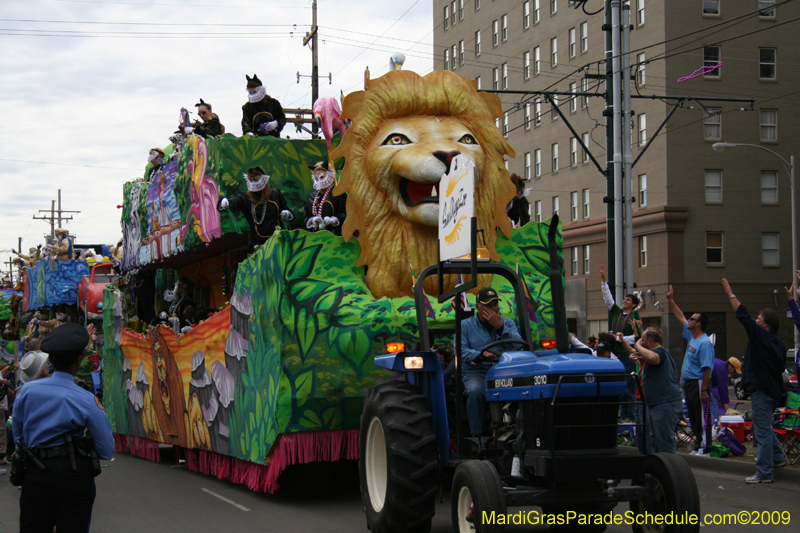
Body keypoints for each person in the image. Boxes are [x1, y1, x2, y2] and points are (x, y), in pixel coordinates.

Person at [12, 323, 114, 531]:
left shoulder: (26, 392)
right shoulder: (86, 400)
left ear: (49, 361)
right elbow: (106, 449)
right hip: (73, 475)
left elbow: (18, 436)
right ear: (79, 360)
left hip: (35, 473)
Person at [721, 278, 787, 483]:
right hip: (774, 391)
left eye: (759, 318)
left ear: (765, 325)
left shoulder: (761, 337)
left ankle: (764, 472)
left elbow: (743, 316)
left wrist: (730, 293)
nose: (756, 320)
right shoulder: (779, 343)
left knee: (762, 431)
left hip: (762, 391)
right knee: (765, 427)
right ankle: (777, 458)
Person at [460, 287, 522, 436]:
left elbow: (519, 346)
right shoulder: (465, 326)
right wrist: (479, 355)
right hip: (476, 371)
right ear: (478, 307)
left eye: (495, 304)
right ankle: (477, 436)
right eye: (488, 305)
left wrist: (499, 327)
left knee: (523, 389)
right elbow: (461, 350)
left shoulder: (507, 323)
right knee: (475, 391)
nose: (493, 308)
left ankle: (517, 431)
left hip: (503, 372)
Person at [665, 284, 714, 455]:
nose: (689, 320)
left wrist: (705, 390)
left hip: (699, 382)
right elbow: (680, 316)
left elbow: (707, 369)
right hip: (688, 383)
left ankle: (705, 447)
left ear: (698, 324)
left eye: (692, 319)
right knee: (693, 415)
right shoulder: (691, 336)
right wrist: (671, 300)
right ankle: (698, 444)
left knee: (702, 416)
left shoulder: (705, 343)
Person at [618, 329, 682, 454]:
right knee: (655, 439)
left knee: (664, 441)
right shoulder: (657, 354)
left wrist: (637, 345)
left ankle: (670, 470)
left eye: (642, 340)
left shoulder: (660, 352)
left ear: (650, 341)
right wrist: (640, 356)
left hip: (665, 403)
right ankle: (658, 468)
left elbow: (653, 357)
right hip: (658, 403)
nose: (640, 342)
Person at [599, 264, 641, 422]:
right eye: (624, 299)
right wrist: (604, 282)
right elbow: (608, 299)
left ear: (634, 304)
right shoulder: (616, 312)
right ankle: (622, 415)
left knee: (629, 388)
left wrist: (618, 338)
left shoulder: (635, 318)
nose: (624, 301)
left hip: (627, 356)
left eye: (628, 299)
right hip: (614, 355)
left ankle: (629, 417)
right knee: (617, 386)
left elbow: (636, 339)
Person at [218, 166, 294, 247]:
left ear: (263, 179)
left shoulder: (275, 194)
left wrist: (287, 214)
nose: (253, 182)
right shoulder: (245, 198)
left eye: (256, 179)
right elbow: (233, 203)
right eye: (251, 179)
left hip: (278, 241)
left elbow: (286, 209)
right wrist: (224, 203)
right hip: (257, 243)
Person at [303, 161, 347, 236]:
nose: (319, 181)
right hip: (316, 237)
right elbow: (305, 216)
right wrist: (312, 220)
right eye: (316, 178)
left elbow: (346, 214)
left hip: (335, 237)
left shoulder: (338, 195)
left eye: (322, 177)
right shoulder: (311, 198)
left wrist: (334, 220)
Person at [709, 356, 731, 424]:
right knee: (714, 403)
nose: (733, 373)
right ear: (730, 366)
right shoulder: (722, 370)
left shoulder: (720, 363)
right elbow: (723, 390)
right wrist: (728, 410)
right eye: (734, 371)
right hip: (700, 382)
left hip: (691, 379)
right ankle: (715, 425)